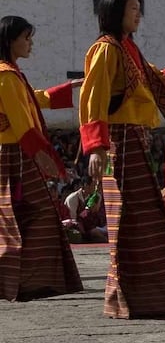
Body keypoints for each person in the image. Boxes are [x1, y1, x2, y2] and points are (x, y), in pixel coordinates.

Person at [78, 0, 165, 318]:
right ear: (116, 11)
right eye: (133, 8)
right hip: (118, 145)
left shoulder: (128, 48)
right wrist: (96, 147)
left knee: (145, 220)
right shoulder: (106, 50)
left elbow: (158, 80)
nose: (138, 15)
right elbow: (93, 99)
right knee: (132, 221)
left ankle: (150, 297)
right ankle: (134, 298)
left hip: (135, 142)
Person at [0, 15, 83, 301]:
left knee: (18, 216)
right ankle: (23, 280)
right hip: (16, 155)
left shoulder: (12, 74)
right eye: (26, 38)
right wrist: (44, 157)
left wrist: (66, 90)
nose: (30, 43)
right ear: (10, 41)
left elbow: (32, 99)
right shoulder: (6, 76)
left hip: (15, 152)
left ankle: (23, 279)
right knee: (35, 214)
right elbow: (23, 123)